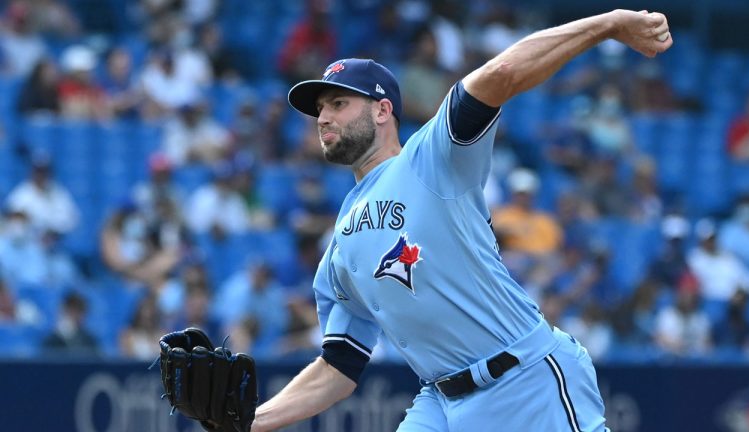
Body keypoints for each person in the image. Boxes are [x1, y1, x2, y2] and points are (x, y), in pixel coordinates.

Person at [252, 10, 672, 432]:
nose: (323, 117)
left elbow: (502, 72)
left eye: (339, 103)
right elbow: (338, 366)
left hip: (523, 380)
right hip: (438, 401)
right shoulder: (340, 243)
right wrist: (250, 421)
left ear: (383, 110)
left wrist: (611, 24)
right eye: (321, 108)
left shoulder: (430, 158)